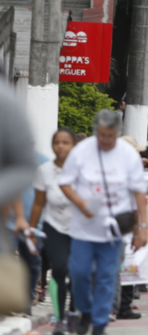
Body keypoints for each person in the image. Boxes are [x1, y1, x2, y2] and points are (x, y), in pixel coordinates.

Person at [59, 110, 148, 335]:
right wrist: (80, 203)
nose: (106, 140)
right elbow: (65, 183)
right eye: (101, 135)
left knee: (107, 277)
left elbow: (139, 194)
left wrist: (142, 228)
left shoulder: (128, 155)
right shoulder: (81, 151)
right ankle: (85, 310)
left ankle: (99, 324)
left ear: (117, 133)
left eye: (110, 136)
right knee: (79, 274)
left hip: (114, 230)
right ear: (95, 132)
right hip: (84, 228)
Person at [29, 129, 78, 335]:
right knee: (59, 268)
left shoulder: (82, 170)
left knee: (77, 272)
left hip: (79, 228)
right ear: (52, 146)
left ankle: (74, 313)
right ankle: (60, 319)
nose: (61, 146)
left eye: (65, 142)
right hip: (53, 227)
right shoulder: (44, 170)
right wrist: (32, 229)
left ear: (73, 146)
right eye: (57, 142)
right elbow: (39, 203)